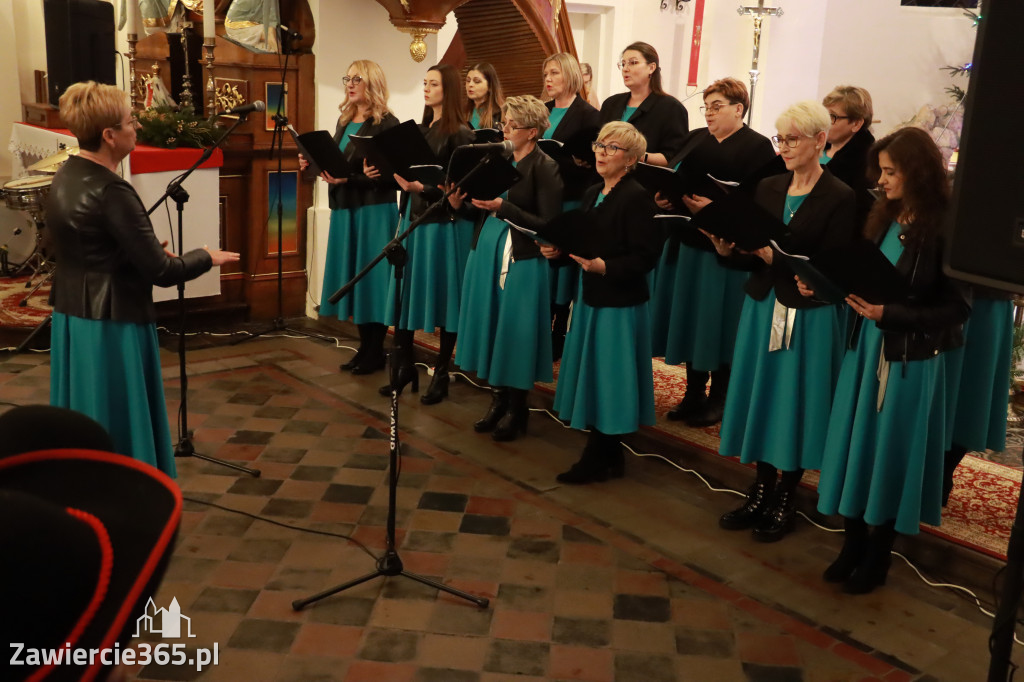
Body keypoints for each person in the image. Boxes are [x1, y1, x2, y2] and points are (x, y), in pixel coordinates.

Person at [46, 81, 239, 478]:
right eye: (130, 122)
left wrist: (129, 251)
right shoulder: (113, 190)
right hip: (111, 323)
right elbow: (164, 273)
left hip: (73, 316)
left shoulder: (65, 174)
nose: (137, 129)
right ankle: (126, 485)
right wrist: (206, 257)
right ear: (109, 135)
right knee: (115, 411)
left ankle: (85, 480)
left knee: (86, 408)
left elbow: (77, 246)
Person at [815, 126, 970, 594]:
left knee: (889, 453)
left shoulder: (946, 227)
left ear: (917, 172)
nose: (882, 181)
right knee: (856, 448)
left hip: (908, 359)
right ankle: (852, 541)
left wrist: (893, 313)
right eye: (880, 172)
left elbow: (956, 309)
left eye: (891, 172)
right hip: (866, 347)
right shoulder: (884, 215)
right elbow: (866, 275)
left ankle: (878, 553)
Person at [707, 101, 856, 542]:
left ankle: (787, 495)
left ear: (819, 140)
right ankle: (760, 487)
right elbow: (754, 255)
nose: (784, 147)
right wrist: (726, 251)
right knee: (762, 397)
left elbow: (836, 266)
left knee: (793, 404)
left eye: (792, 139)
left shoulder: (840, 196)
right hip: (762, 307)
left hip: (806, 317)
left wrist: (784, 262)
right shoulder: (770, 187)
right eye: (780, 138)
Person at [650, 77, 777, 427]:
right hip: (691, 243)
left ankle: (719, 397)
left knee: (719, 326)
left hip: (727, 252)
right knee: (693, 321)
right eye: (706, 107)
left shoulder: (758, 147)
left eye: (716, 106)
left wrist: (717, 207)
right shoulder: (695, 139)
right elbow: (676, 175)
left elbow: (761, 203)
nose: (708, 113)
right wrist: (663, 197)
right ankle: (693, 394)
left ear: (739, 109)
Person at [543, 122, 663, 483]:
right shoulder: (593, 191)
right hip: (593, 295)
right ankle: (608, 456)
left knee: (611, 379)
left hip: (619, 302)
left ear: (631, 160)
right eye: (599, 145)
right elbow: (584, 242)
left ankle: (600, 454)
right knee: (595, 376)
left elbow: (645, 258)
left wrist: (605, 266)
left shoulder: (636, 197)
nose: (601, 152)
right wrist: (558, 252)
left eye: (612, 148)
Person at [453, 95, 563, 441]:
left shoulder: (545, 166)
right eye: (504, 122)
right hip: (486, 249)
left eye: (512, 125)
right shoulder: (496, 158)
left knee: (515, 333)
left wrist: (505, 207)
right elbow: (480, 208)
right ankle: (497, 400)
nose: (505, 129)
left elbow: (548, 223)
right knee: (491, 327)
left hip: (522, 259)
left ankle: (518, 410)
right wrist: (459, 203)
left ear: (532, 132)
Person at [383, 64, 474, 404]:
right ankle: (404, 364)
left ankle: (441, 373)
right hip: (415, 217)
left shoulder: (461, 133)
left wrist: (424, 187)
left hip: (443, 225)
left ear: (447, 90)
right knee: (407, 292)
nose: (426, 88)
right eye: (425, 83)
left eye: (433, 84)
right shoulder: (422, 129)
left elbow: (458, 190)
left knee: (446, 299)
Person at [304, 60, 399, 375]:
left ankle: (375, 352)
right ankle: (364, 348)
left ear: (372, 81)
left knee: (371, 281)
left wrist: (352, 179)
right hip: (347, 209)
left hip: (373, 210)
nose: (350, 83)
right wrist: (317, 166)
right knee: (353, 280)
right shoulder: (345, 121)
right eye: (347, 77)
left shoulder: (386, 123)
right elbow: (342, 165)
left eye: (357, 78)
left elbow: (391, 176)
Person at [541, 52, 601, 360]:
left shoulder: (588, 115)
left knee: (563, 267)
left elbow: (594, 165)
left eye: (554, 73)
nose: (548, 79)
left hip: (572, 195)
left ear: (570, 76)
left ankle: (559, 329)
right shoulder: (544, 111)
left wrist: (572, 161)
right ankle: (542, 325)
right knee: (544, 262)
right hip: (545, 197)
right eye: (546, 74)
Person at [941, 285, 1014, 505]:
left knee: (972, 396)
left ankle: (943, 474)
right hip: (942, 294)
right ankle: (934, 474)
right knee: (942, 392)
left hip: (988, 297)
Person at [598, 42, 689, 167]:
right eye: (623, 64)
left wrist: (637, 156)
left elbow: (673, 156)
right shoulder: (611, 103)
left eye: (633, 63)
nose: (625, 69)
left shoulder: (671, 108)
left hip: (643, 180)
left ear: (651, 68)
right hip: (606, 177)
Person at [821, 85, 876, 227]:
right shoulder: (815, 147)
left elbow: (857, 214)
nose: (824, 122)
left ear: (856, 124)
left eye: (832, 117)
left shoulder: (866, 161)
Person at [465, 62, 504, 130]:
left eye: (477, 81)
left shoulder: (501, 112)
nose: (470, 84)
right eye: (468, 80)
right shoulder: (461, 112)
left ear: (490, 86)